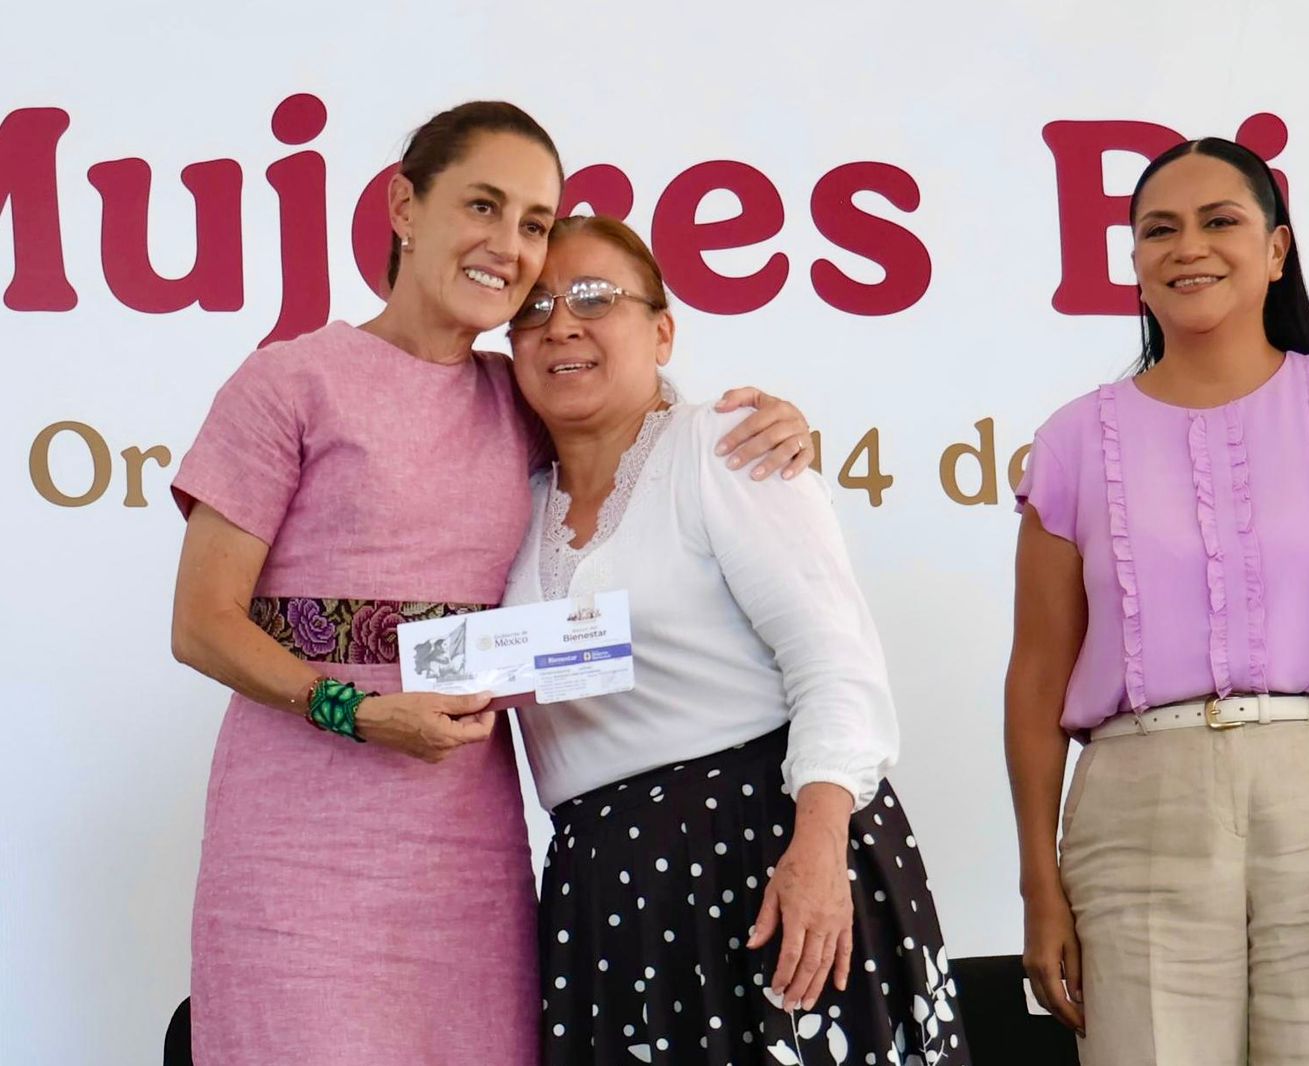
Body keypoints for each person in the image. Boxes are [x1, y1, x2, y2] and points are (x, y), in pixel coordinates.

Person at [169, 101, 815, 1065]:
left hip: (465, 847)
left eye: (535, 223)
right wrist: (355, 710)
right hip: (298, 846)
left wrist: (773, 428)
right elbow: (201, 624)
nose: (509, 246)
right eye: (482, 205)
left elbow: (638, 417)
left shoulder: (517, 399)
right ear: (402, 205)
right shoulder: (289, 381)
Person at [1005, 138, 1309, 1065]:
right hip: (1137, 815)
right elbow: (1035, 680)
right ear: (1132, 262)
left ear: (1278, 250)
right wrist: (1038, 883)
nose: (1188, 247)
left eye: (1221, 222)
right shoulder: (1072, 441)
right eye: (1158, 230)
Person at [502, 215, 969, 1065]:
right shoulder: (508, 503)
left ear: (663, 329)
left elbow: (836, 663)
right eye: (532, 308)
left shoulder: (725, 445)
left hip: (766, 853)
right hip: (606, 895)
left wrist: (821, 846)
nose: (560, 323)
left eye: (594, 298)